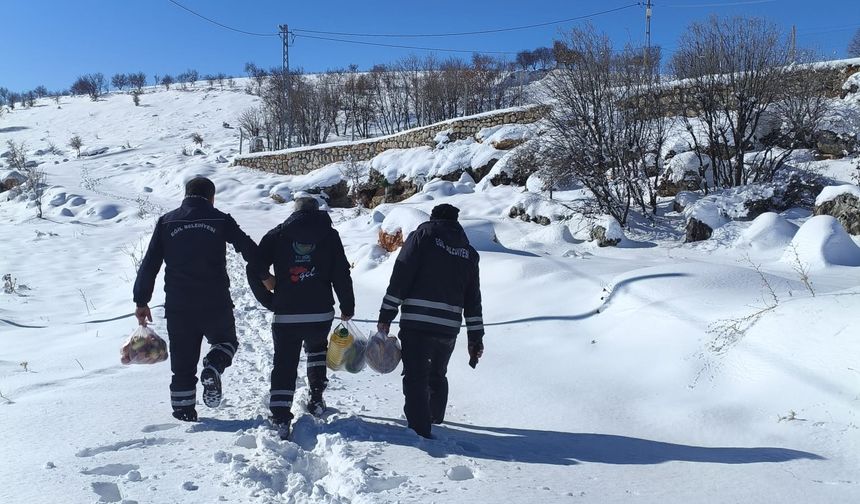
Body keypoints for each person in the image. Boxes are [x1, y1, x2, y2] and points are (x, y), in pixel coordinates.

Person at [133, 177, 273, 422]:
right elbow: (248, 248)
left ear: (185, 195)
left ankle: (184, 413)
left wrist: (141, 300)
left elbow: (150, 263)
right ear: (212, 197)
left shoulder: (166, 222)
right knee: (226, 342)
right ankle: (214, 365)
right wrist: (265, 276)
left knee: (183, 363)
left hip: (179, 305)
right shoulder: (220, 219)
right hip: (215, 301)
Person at [249, 196, 355, 439]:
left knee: (284, 362)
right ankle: (316, 398)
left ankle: (280, 416)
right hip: (320, 313)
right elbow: (341, 272)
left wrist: (269, 300)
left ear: (294, 212)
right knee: (317, 350)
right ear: (317, 212)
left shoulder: (277, 235)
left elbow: (254, 266)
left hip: (286, 314)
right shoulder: (330, 236)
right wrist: (347, 304)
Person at [377, 203, 484, 439]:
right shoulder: (468, 252)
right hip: (448, 327)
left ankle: (420, 430)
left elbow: (401, 276)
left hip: (417, 322)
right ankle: (435, 418)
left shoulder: (422, 237)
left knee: (416, 376)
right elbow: (473, 299)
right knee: (437, 373)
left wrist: (386, 314)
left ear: (433, 219)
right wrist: (475, 338)